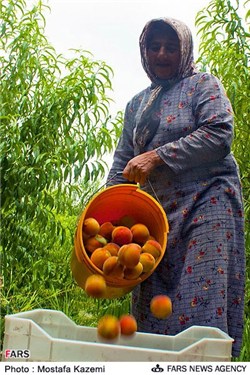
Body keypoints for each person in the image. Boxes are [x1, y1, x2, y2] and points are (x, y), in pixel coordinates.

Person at [106, 17, 245, 357]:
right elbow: (124, 162)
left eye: (171, 47)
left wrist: (158, 156)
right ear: (144, 52)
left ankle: (204, 362)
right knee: (153, 305)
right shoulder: (138, 105)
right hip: (157, 217)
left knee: (202, 296)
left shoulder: (203, 85)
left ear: (184, 50)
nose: (162, 54)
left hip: (207, 204)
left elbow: (219, 134)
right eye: (154, 47)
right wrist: (106, 212)